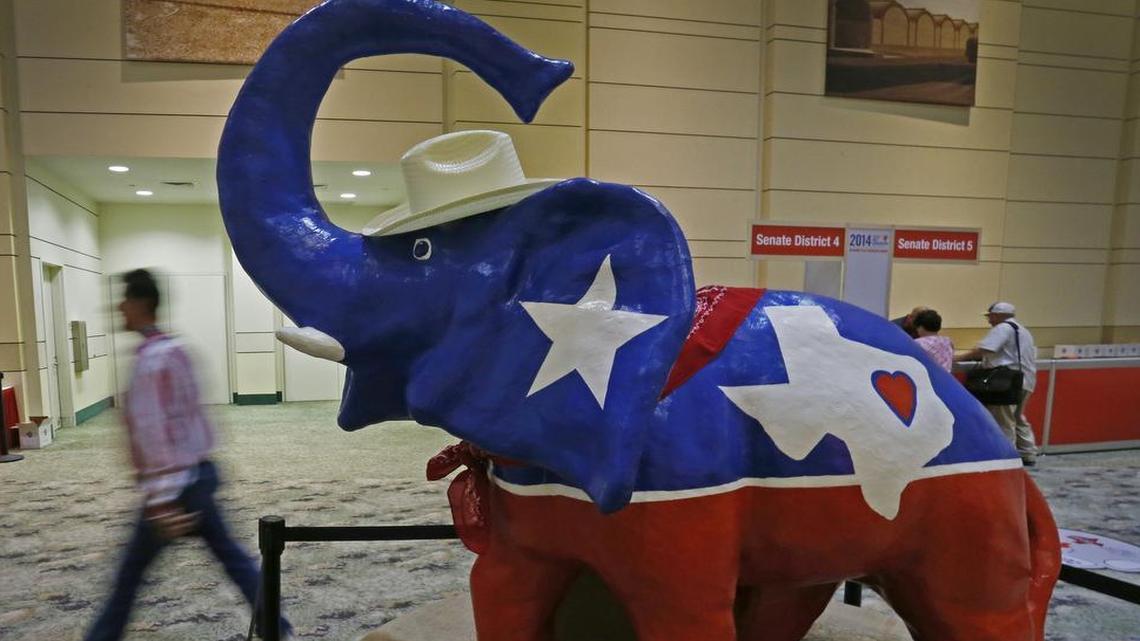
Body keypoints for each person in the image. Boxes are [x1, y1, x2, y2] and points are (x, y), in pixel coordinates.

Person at [84, 269, 290, 641]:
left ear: (141, 303)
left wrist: (162, 500)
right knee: (233, 558)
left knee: (129, 576)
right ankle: (279, 629)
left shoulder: (149, 361)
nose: (119, 307)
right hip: (199, 474)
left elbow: (153, 432)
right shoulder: (176, 349)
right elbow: (198, 419)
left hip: (174, 485)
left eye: (125, 299)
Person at [954, 301, 1038, 466]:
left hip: (1005, 381)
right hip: (1024, 380)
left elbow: (986, 350)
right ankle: (1028, 453)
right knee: (1017, 417)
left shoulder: (1002, 329)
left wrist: (957, 358)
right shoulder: (1022, 330)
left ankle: (1007, 458)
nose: (989, 320)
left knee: (1003, 420)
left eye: (990, 316)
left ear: (998, 315)